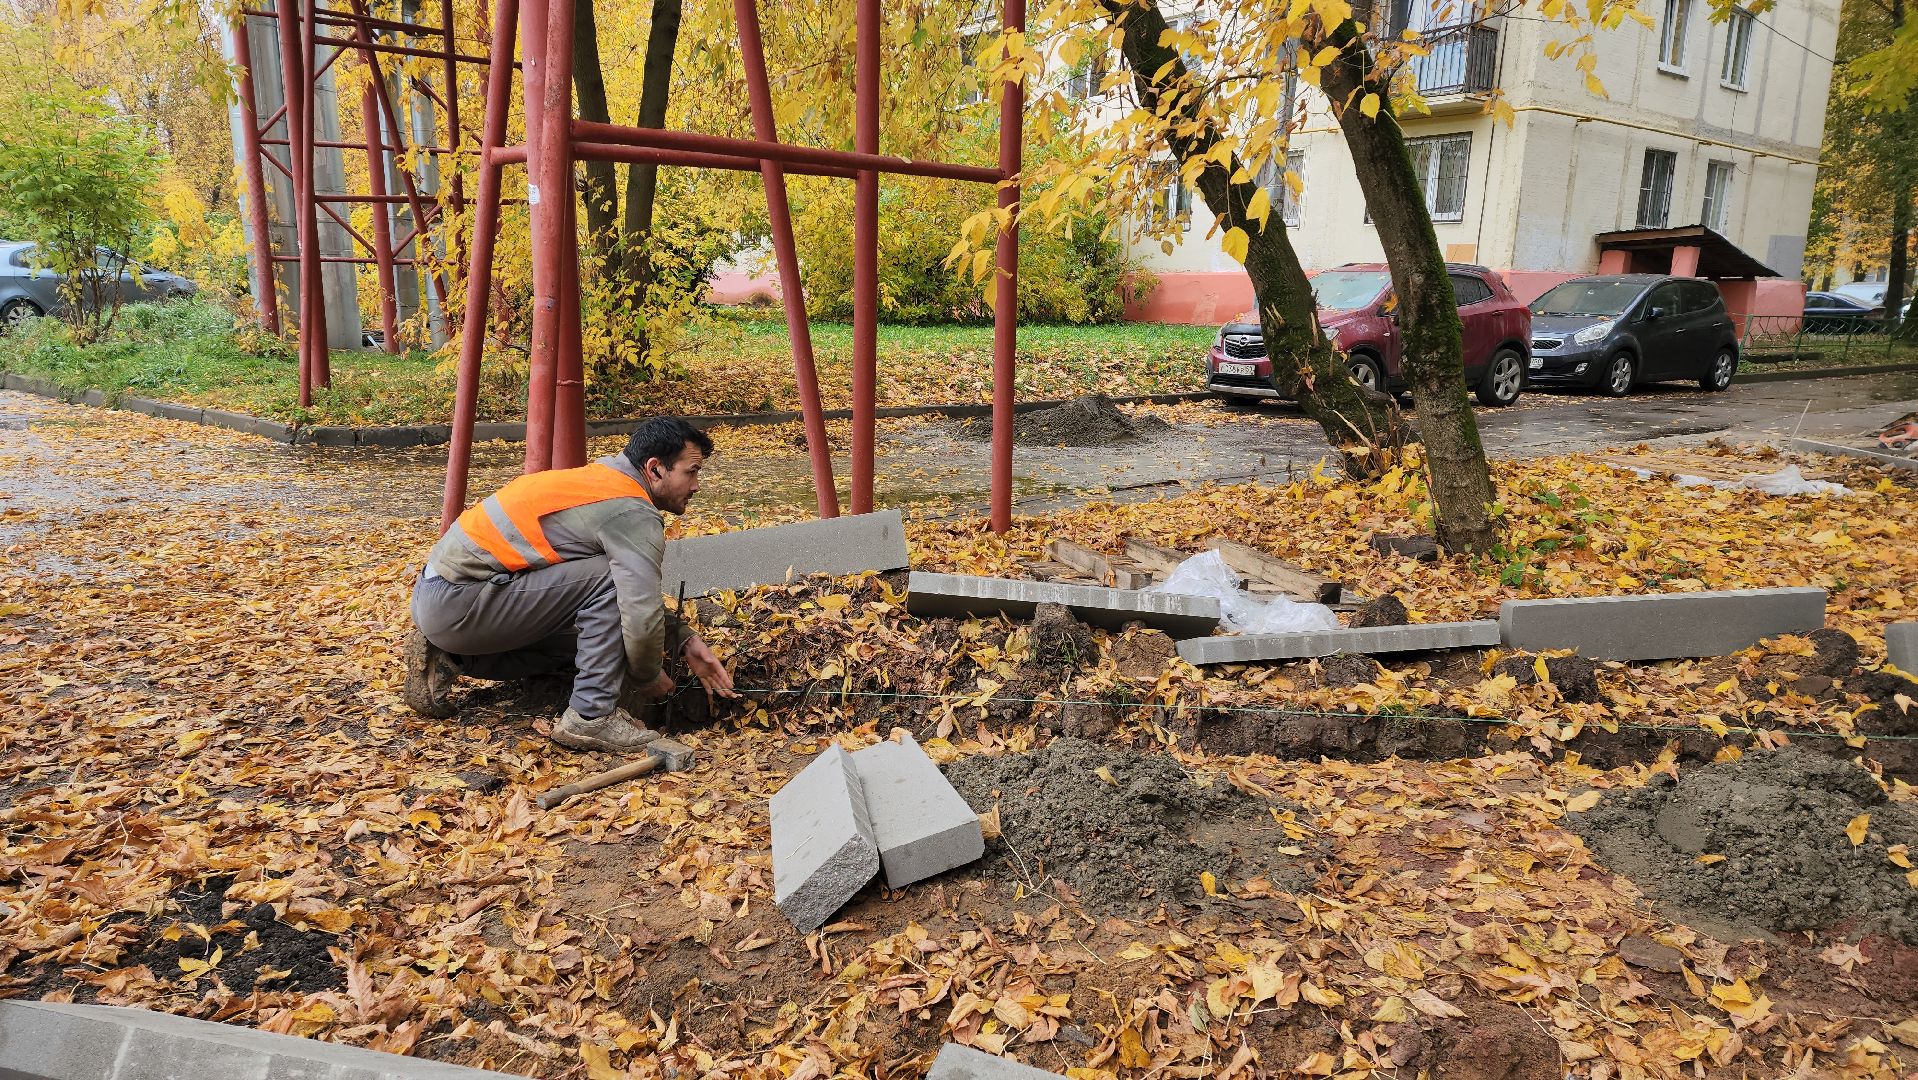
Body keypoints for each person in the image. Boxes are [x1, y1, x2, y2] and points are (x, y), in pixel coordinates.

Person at [403, 416, 736, 750]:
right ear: (655, 469)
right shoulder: (631, 512)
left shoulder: (603, 479)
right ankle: (591, 717)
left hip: (444, 599)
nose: (696, 486)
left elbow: (591, 591)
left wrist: (682, 639)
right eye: (691, 471)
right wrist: (647, 676)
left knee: (596, 638)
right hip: (462, 603)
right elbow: (635, 605)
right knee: (613, 592)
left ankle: (449, 657)